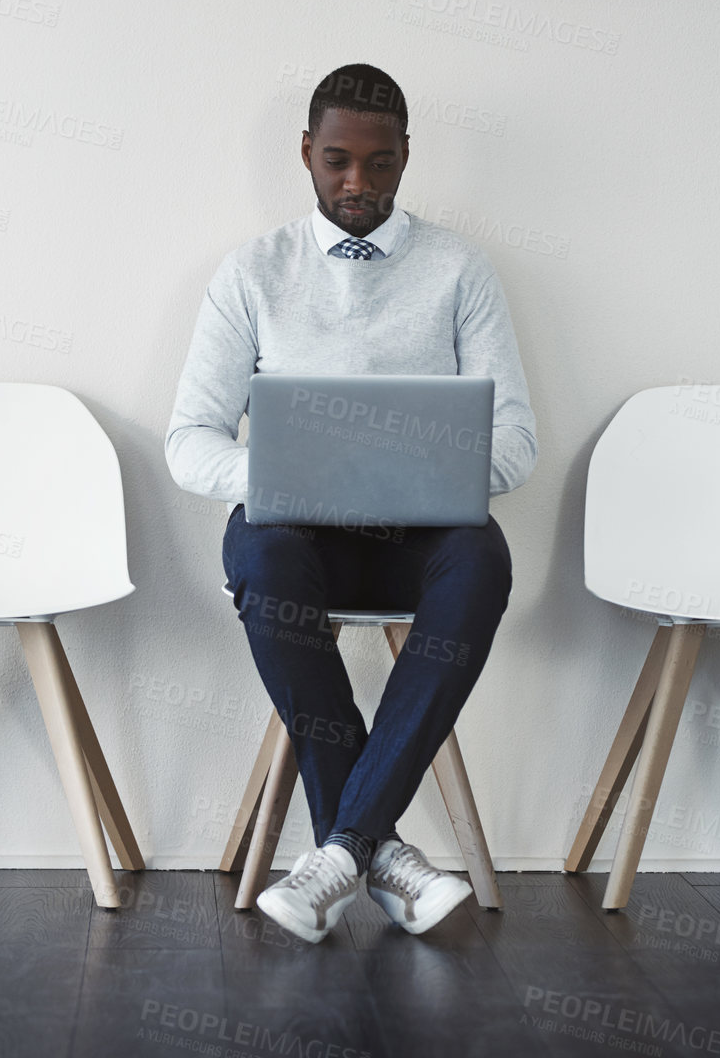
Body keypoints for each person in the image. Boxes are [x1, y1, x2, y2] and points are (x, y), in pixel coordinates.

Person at [165, 63, 536, 943]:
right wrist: (290, 475)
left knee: (481, 558)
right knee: (260, 551)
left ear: (407, 156)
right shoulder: (253, 272)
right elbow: (190, 440)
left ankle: (338, 849)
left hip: (419, 535)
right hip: (300, 536)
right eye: (337, 162)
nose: (357, 184)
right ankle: (381, 852)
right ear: (306, 153)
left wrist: (413, 468)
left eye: (379, 164)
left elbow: (517, 445)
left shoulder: (460, 271)